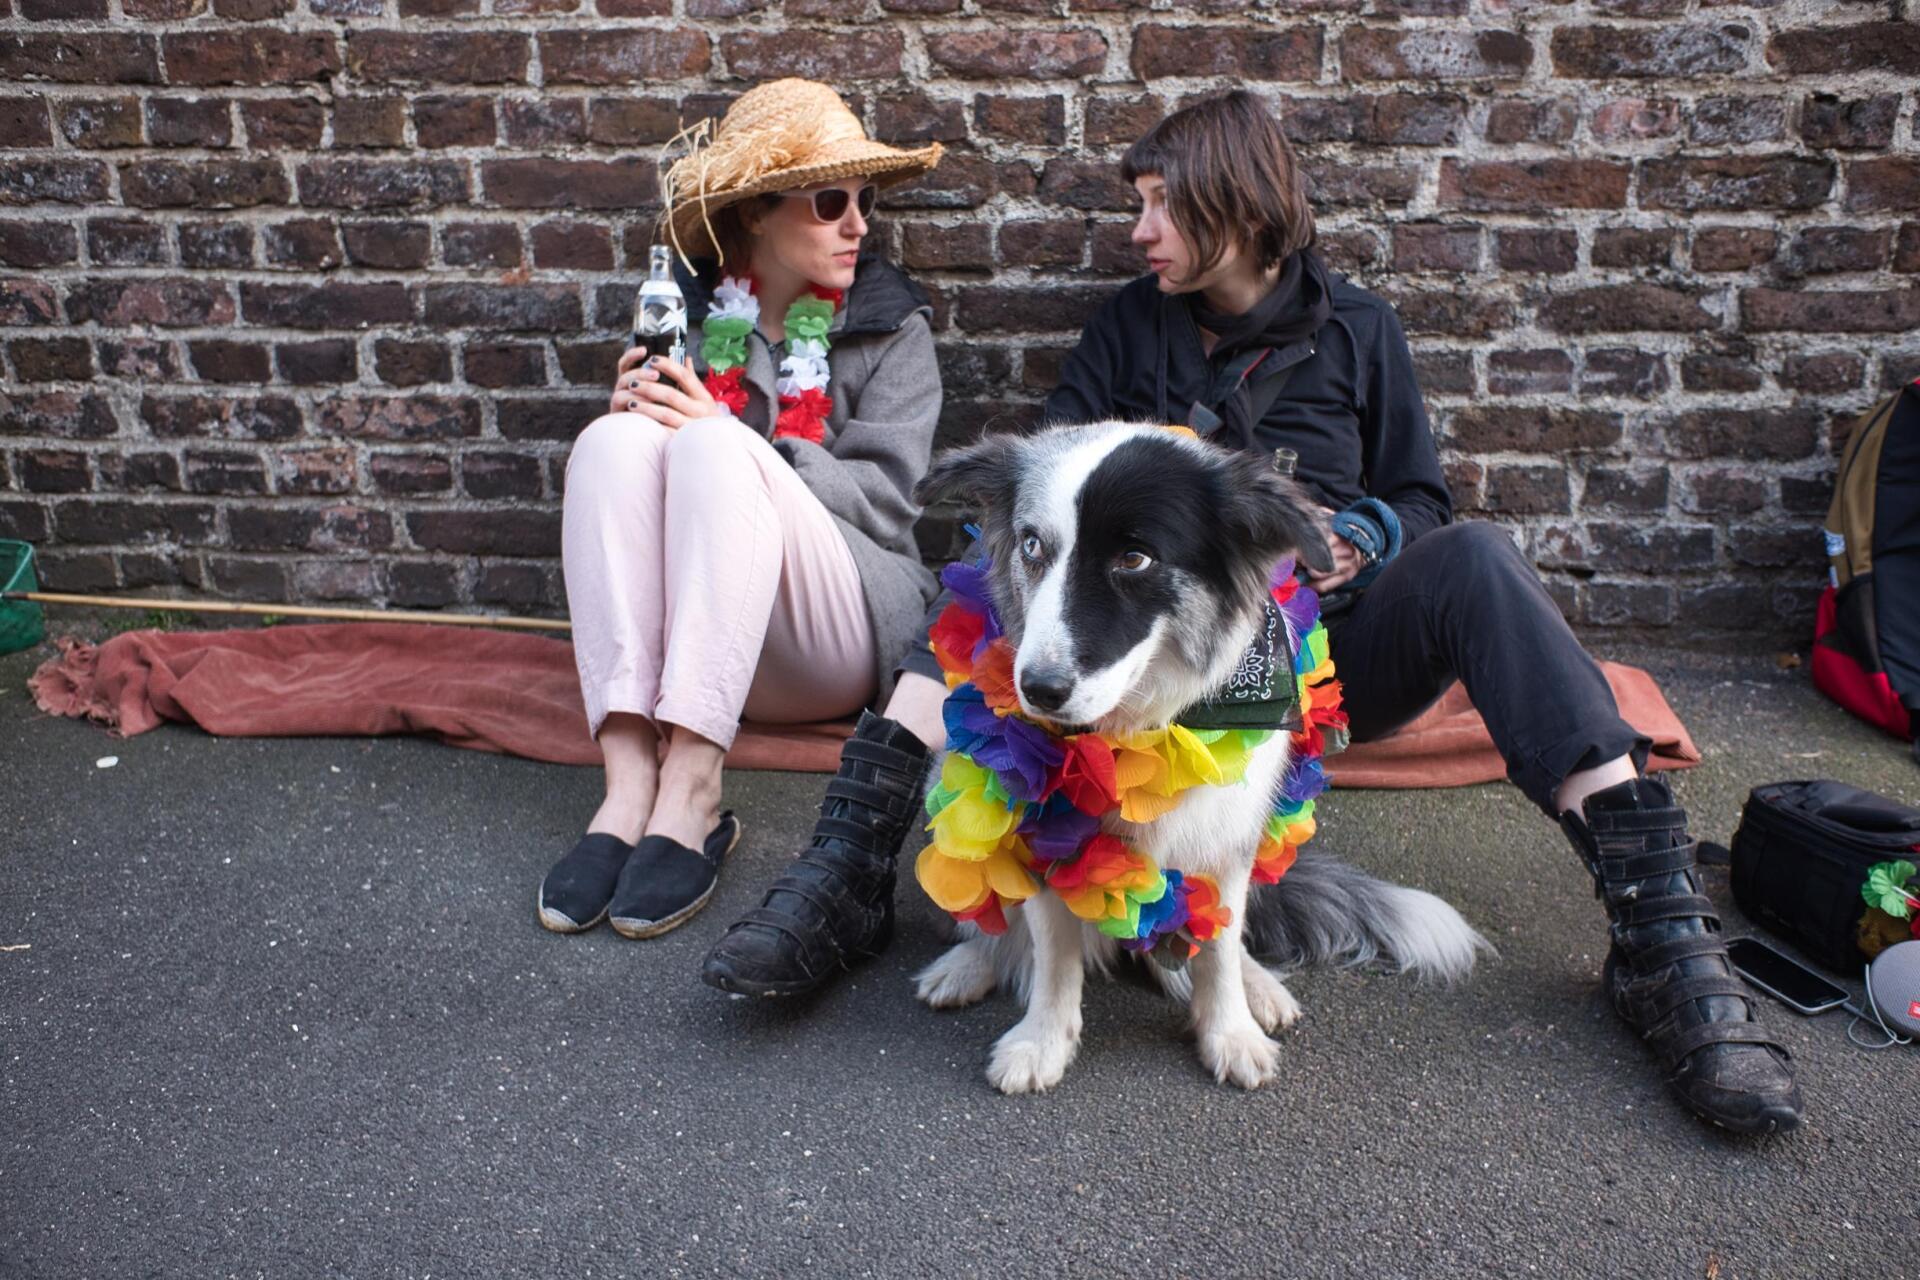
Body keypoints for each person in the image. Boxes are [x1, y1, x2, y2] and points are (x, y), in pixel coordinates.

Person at [711, 89, 1806, 1136]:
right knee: (991, 557)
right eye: (1137, 205)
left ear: (1233, 204)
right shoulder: (1126, 329)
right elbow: (1052, 484)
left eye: (1159, 205)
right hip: (1144, 650)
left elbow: (1423, 498)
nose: (1138, 231)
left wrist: (1357, 536)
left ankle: (1660, 932)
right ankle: (851, 863)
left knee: (1477, 557)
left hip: (1325, 656)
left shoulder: (1361, 330)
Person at [538, 79, 945, 945]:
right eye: (830, 202)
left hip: (830, 631)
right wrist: (639, 417)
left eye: (864, 202)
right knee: (610, 444)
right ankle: (626, 792)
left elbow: (889, 501)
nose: (857, 224)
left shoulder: (892, 325)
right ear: (757, 214)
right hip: (697, 646)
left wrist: (743, 445)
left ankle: (693, 793)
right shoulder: (684, 316)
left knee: (717, 447)